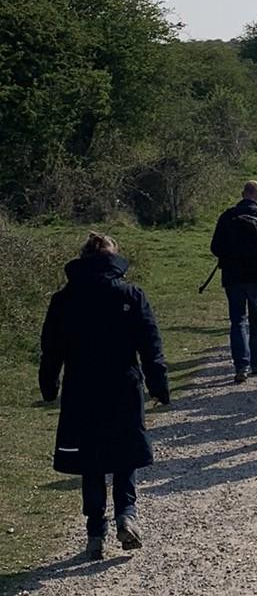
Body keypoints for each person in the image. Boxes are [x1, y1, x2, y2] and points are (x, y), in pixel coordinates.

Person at [39, 232, 170, 561]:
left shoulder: (64, 299)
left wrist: (48, 385)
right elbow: (150, 345)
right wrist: (159, 386)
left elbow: (51, 348)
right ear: (114, 260)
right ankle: (126, 513)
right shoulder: (130, 294)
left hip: (81, 387)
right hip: (123, 384)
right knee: (125, 452)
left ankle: (95, 531)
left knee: (90, 460)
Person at [210, 181, 257, 383]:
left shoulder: (227, 216)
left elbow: (215, 247)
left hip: (233, 278)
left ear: (243, 194)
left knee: (237, 321)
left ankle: (241, 365)